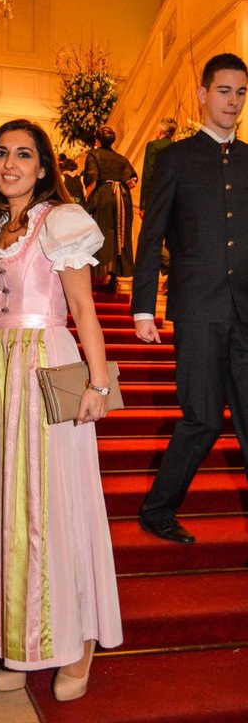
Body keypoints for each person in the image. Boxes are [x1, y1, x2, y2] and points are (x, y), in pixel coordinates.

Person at [0, 119, 122, 703]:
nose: (10, 164)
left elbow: (83, 308)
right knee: (9, 509)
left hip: (43, 364)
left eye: (24, 154)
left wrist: (98, 382)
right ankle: (23, 641)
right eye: (1, 153)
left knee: (56, 508)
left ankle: (77, 641)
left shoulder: (60, 220)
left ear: (43, 167)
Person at [131, 52, 248, 544]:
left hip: (246, 310)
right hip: (198, 309)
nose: (233, 101)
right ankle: (157, 510)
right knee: (202, 419)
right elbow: (152, 234)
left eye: (241, 93)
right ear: (203, 95)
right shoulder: (175, 158)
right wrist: (143, 306)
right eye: (224, 91)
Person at [84, 126, 137, 291]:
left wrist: (87, 198)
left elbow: (92, 179)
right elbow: (132, 182)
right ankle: (113, 277)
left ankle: (101, 273)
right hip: (122, 198)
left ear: (97, 141)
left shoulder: (93, 155)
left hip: (104, 196)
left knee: (103, 233)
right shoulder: (121, 158)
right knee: (119, 235)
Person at [139, 117, 178, 291]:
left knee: (150, 238)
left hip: (157, 199)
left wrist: (143, 204)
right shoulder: (178, 147)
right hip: (175, 200)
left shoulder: (153, 146)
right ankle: (172, 275)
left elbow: (148, 174)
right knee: (171, 239)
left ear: (161, 130)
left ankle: (172, 268)